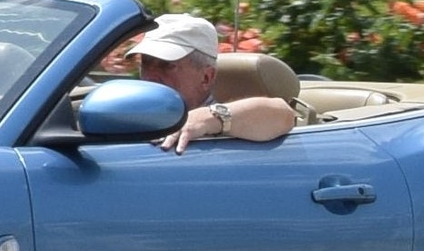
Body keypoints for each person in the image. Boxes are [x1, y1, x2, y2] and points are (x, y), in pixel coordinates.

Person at [127, 13, 298, 153]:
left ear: (206, 77)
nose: (151, 77)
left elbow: (283, 115)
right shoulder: (129, 113)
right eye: (146, 63)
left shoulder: (226, 121)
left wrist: (208, 119)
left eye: (167, 65)